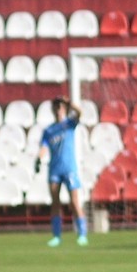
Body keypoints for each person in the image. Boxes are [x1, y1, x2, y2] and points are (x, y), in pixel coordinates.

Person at [38, 98, 88, 247]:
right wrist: (39, 158)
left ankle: (82, 234)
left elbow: (80, 113)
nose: (58, 109)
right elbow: (44, 147)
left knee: (74, 201)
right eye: (55, 106)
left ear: (64, 108)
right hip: (55, 169)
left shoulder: (69, 124)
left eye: (60, 106)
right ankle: (56, 236)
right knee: (55, 202)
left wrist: (70, 103)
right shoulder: (49, 130)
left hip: (69, 168)